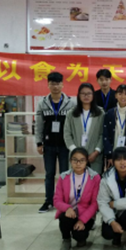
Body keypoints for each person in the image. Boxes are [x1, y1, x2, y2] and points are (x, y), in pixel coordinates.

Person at [35, 72, 76, 213]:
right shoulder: (42, 103)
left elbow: (74, 125)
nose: (55, 86)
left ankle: (64, 200)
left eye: (58, 83)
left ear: (62, 85)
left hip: (65, 145)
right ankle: (48, 201)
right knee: (49, 174)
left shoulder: (71, 103)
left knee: (65, 174)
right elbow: (38, 125)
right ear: (48, 85)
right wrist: (38, 143)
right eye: (52, 83)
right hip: (49, 145)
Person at [53, 147, 101, 250]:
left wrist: (82, 220)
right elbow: (57, 200)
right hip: (70, 213)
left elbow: (95, 204)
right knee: (64, 217)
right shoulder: (64, 177)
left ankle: (81, 236)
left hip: (86, 214)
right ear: (70, 161)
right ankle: (66, 239)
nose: (78, 163)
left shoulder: (94, 178)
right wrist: (67, 208)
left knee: (79, 236)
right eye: (75, 160)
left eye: (82, 160)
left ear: (87, 161)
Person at [64, 83, 105, 173]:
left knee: (93, 179)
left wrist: (96, 152)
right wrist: (75, 152)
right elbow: (67, 134)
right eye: (83, 93)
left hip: (94, 156)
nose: (86, 96)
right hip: (76, 156)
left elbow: (103, 134)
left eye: (89, 93)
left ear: (93, 95)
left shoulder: (100, 113)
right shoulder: (71, 113)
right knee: (76, 179)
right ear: (78, 95)